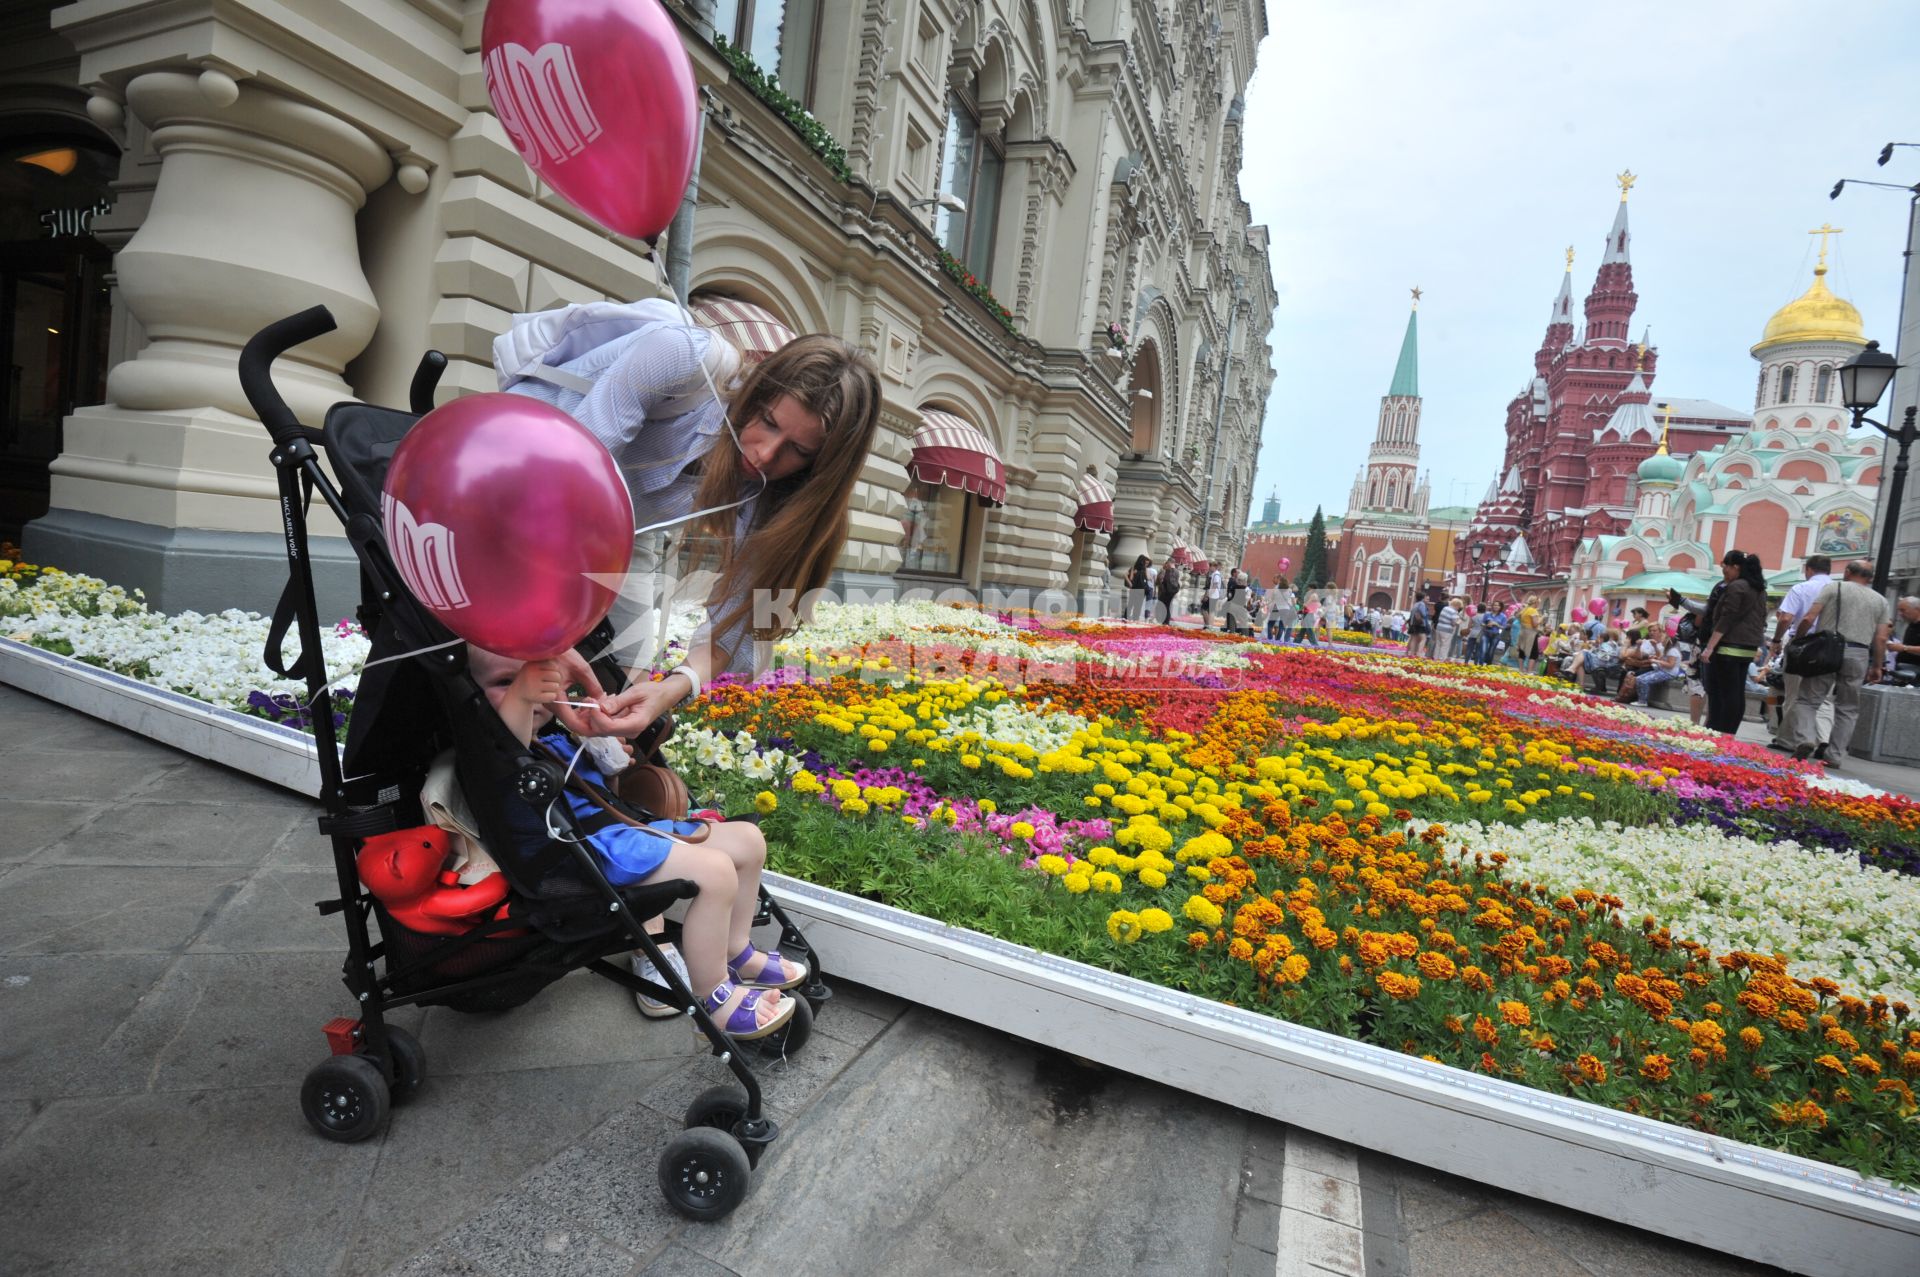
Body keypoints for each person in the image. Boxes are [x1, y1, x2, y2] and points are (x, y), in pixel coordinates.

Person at [496, 302, 883, 724]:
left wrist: (668, 690)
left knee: (624, 685)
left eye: (799, 451)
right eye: (768, 422)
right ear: (755, 392)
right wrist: (552, 639)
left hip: (621, 527)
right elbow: (567, 488)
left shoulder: (778, 497)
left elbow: (735, 632)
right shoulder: (679, 355)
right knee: (500, 672)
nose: (766, 454)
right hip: (515, 475)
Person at [469, 645, 804, 1039]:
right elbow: (504, 747)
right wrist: (523, 695)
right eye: (504, 682)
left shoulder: (555, 740)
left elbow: (608, 795)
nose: (532, 685)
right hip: (575, 854)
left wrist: (601, 750)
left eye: (535, 675)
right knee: (715, 873)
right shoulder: (491, 752)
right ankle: (714, 998)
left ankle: (737, 949)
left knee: (748, 840)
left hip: (617, 831)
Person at [1785, 559, 1893, 766]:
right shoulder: (1880, 601)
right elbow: (1881, 638)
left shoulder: (1833, 587)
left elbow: (1808, 618)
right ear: (1869, 578)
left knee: (1808, 699)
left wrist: (1798, 641)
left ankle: (1806, 738)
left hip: (1827, 650)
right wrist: (1877, 666)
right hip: (1859, 653)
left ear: (1848, 571)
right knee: (1848, 708)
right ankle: (1834, 756)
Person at [1766, 555, 1834, 749]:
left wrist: (1778, 640)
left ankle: (1789, 740)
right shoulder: (1838, 590)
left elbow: (1786, 618)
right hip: (1830, 648)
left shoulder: (1801, 588)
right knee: (1824, 698)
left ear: (1809, 570)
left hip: (1803, 645)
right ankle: (1824, 740)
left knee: (1794, 694)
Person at [1699, 551, 1770, 735]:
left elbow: (1727, 617)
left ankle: (1719, 729)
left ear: (1735, 567)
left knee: (1723, 691)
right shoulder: (1759, 588)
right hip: (1748, 647)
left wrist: (1710, 647)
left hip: (1730, 645)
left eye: (1726, 569)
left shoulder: (1737, 586)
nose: (1725, 574)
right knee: (1736, 691)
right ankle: (1729, 732)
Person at [1633, 633, 1686, 708]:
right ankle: (1641, 699)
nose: (1661, 640)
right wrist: (1656, 658)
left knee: (1643, 680)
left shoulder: (1672, 651)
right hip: (1662, 670)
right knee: (1639, 678)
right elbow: (1663, 659)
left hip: (1668, 673)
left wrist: (1656, 661)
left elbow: (1670, 665)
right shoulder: (1667, 649)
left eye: (1663, 638)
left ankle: (1642, 701)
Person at [1886, 596, 1920, 685]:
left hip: (1915, 674)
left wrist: (1903, 648)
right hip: (1904, 672)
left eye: (1903, 610)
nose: (1900, 614)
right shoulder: (1912, 625)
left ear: (1917, 609)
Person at [1123, 555, 1153, 621]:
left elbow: (1131, 578)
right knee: (1135, 605)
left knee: (1133, 604)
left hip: (1137, 589)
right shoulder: (1140, 569)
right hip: (1138, 589)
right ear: (1142, 562)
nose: (1146, 565)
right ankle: (1132, 619)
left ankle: (1128, 618)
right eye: (1146, 563)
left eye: (1147, 563)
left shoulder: (1138, 568)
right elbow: (1148, 578)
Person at [1155, 558, 1183, 624]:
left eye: (1167, 563)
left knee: (1164, 607)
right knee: (1167, 606)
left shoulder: (1168, 570)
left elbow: (1166, 581)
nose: (1166, 564)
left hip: (1166, 592)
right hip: (1172, 592)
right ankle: (1166, 622)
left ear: (1169, 563)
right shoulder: (1177, 571)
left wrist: (1162, 584)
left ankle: (1165, 622)